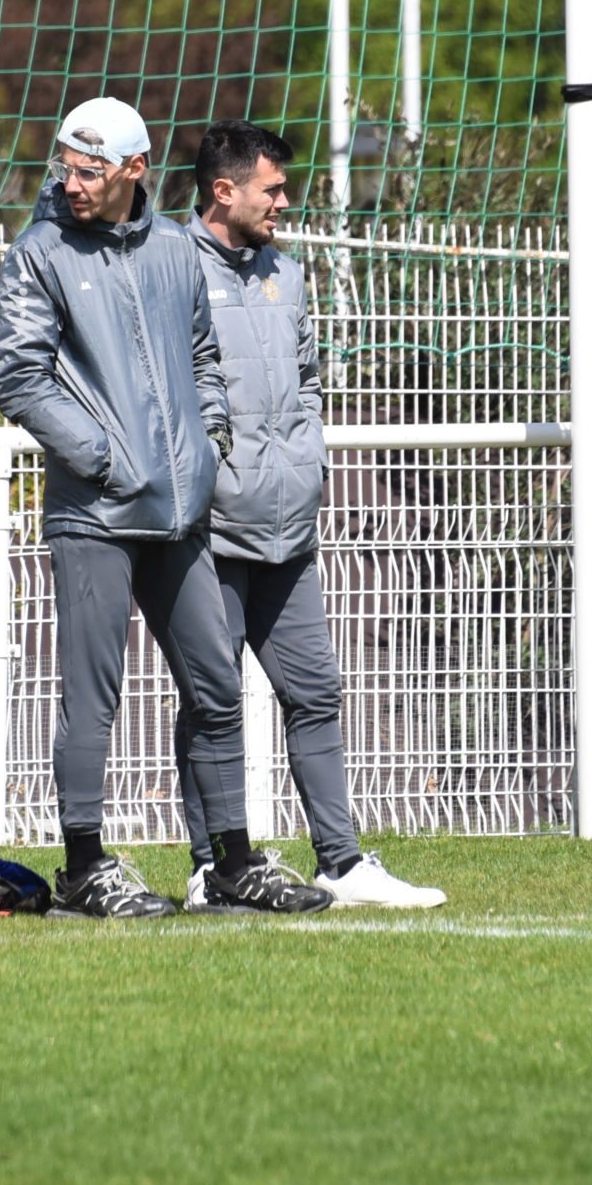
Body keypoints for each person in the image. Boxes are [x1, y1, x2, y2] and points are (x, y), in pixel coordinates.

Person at [0, 97, 332, 918]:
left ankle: (233, 865)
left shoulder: (176, 250)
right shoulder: (38, 255)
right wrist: (104, 458)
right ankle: (83, 868)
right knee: (93, 700)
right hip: (95, 516)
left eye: (90, 170)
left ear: (135, 170)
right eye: (66, 167)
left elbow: (204, 357)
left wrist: (206, 441)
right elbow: (20, 377)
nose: (72, 183)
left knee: (217, 685)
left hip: (180, 515)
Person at [175, 121, 446, 911]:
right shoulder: (169, 268)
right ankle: (210, 868)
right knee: (212, 698)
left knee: (317, 690)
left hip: (287, 525)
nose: (284, 202)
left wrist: (307, 465)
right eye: (273, 189)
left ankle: (342, 861)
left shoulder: (286, 274)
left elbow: (307, 381)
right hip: (209, 531)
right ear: (224, 190)